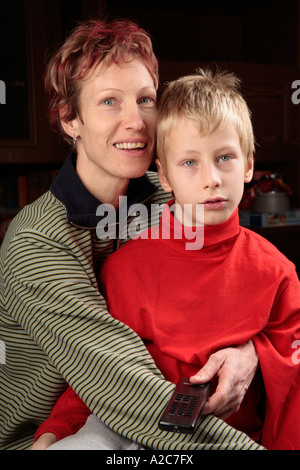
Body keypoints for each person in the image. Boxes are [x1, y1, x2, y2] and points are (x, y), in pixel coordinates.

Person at [0, 19, 259, 451]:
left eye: (145, 99)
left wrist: (248, 351)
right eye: (108, 102)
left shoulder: (174, 196)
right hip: (56, 435)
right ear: (70, 119)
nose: (136, 122)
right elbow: (122, 383)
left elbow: (247, 286)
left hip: (172, 413)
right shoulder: (37, 241)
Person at [33, 68, 300, 450]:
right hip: (121, 425)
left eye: (224, 157)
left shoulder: (277, 272)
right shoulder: (125, 268)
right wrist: (54, 431)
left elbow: (292, 389)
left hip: (223, 436)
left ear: (248, 165)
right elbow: (97, 371)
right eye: (189, 163)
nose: (211, 178)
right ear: (165, 176)